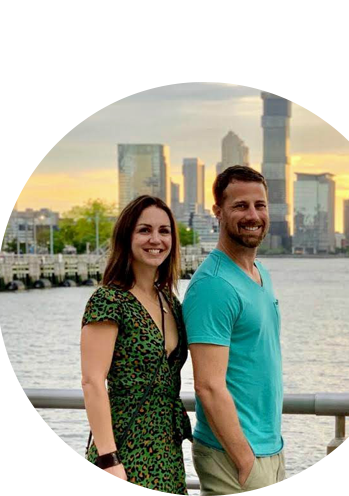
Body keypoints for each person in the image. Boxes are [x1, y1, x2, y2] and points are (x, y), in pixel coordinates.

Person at [183, 165, 285, 496]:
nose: (253, 215)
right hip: (234, 455)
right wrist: (244, 460)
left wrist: (268, 453)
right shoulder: (213, 285)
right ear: (218, 212)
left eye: (260, 205)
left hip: (267, 448)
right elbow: (208, 386)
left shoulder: (260, 274)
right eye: (240, 205)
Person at [80, 195, 191, 496]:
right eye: (144, 230)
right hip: (123, 453)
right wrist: (108, 459)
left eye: (164, 231)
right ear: (126, 236)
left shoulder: (171, 302)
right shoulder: (109, 300)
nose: (156, 239)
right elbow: (92, 382)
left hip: (166, 454)